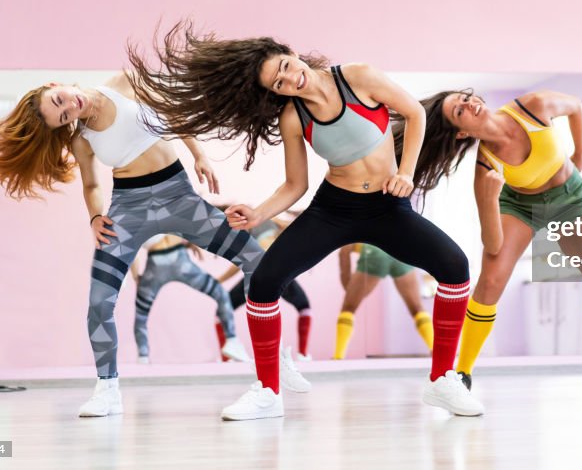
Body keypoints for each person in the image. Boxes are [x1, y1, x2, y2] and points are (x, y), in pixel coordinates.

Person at [127, 23, 483, 420]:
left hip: (387, 208)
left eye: (284, 66)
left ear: (292, 53)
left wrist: (407, 173)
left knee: (455, 268)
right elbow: (296, 185)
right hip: (334, 209)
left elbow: (415, 113)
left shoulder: (358, 77)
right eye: (278, 83)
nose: (288, 79)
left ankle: (442, 381)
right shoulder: (294, 118)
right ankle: (267, 392)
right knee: (262, 284)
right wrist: (258, 213)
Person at [0, 72, 309, 419]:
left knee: (259, 260)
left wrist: (199, 155)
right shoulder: (82, 139)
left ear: (53, 85)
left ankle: (272, 368)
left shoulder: (124, 83)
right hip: (128, 210)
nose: (69, 109)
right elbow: (91, 185)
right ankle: (107, 390)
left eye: (60, 101)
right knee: (98, 302)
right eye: (63, 117)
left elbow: (176, 113)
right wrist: (95, 218)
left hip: (179, 197)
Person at [406, 90, 582, 396]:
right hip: (519, 204)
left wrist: (579, 154)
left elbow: (575, 106)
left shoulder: (532, 106)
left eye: (465, 97)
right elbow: (492, 244)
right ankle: (461, 374)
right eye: (459, 111)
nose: (469, 104)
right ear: (461, 132)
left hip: (570, 199)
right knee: (490, 282)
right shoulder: (485, 169)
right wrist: (489, 200)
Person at [130, 234, 249, 364]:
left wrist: (136, 276)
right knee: (220, 293)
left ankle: (143, 355)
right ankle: (231, 339)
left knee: (141, 314)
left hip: (156, 263)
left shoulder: (135, 217)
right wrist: (191, 242)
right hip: (180, 258)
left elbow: (131, 248)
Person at [212, 216, 314, 361]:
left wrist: (219, 280)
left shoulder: (263, 228)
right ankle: (302, 354)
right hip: (277, 273)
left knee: (223, 311)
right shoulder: (259, 232)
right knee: (304, 308)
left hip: (263, 273)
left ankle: (226, 359)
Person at [334, 244, 434, 359]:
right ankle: (434, 348)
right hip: (400, 252)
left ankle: (338, 356)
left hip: (374, 252)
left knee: (348, 308)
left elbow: (344, 252)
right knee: (417, 308)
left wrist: (349, 289)